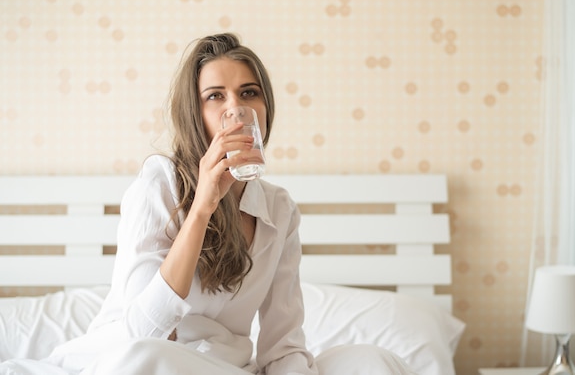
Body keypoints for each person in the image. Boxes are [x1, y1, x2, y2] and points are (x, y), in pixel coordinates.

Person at [0, 33, 415, 375]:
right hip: (134, 359)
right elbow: (143, 330)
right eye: (215, 96)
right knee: (150, 359)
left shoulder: (279, 210)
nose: (235, 107)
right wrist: (201, 207)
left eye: (248, 93)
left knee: (373, 362)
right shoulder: (159, 183)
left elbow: (282, 346)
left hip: (225, 368)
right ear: (195, 114)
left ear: (265, 109)